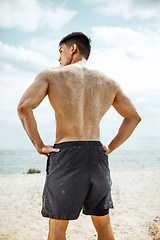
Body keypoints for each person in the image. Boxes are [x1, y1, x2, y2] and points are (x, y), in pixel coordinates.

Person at [17, 32, 141, 240]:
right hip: (97, 155)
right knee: (103, 224)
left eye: (60, 51)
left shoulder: (51, 75)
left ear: (72, 48)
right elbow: (134, 117)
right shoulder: (109, 82)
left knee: (57, 227)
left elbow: (24, 107)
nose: (58, 58)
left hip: (67, 155)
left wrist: (39, 145)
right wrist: (109, 147)